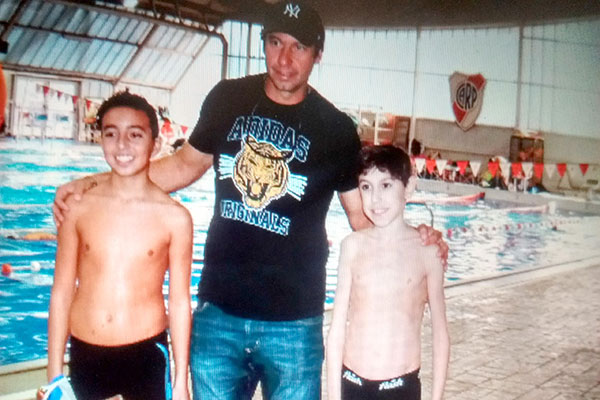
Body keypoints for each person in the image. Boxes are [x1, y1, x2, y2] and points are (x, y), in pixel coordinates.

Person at [52, 2, 448, 399]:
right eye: (275, 42)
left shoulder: (335, 129)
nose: (284, 59)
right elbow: (182, 166)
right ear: (264, 44)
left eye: (299, 47)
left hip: (294, 323)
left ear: (318, 54)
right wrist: (93, 183)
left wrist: (416, 237)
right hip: (219, 314)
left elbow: (364, 218)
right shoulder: (229, 98)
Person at [47, 91, 193, 400]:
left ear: (155, 144)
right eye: (111, 134)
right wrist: (54, 376)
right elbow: (61, 292)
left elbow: (179, 301)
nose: (122, 145)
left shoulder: (175, 217)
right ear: (100, 139)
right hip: (86, 352)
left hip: (146, 353)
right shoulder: (78, 208)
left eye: (135, 135)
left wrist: (181, 380)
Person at [327, 145, 450, 400]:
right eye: (366, 187)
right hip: (352, 382)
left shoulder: (428, 252)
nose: (375, 199)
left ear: (409, 187)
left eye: (386, 185)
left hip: (400, 388)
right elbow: (336, 330)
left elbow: (440, 334)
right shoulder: (352, 246)